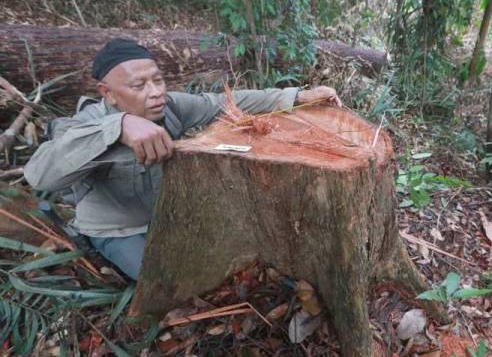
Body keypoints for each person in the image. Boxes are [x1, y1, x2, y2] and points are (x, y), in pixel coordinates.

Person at [24, 38, 341, 280]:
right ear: (107, 93)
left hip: (170, 215)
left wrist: (295, 96)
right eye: (139, 85)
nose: (155, 92)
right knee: (165, 279)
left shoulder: (171, 108)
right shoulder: (83, 123)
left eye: (158, 80)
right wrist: (117, 127)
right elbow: (40, 174)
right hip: (119, 229)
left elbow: (223, 103)